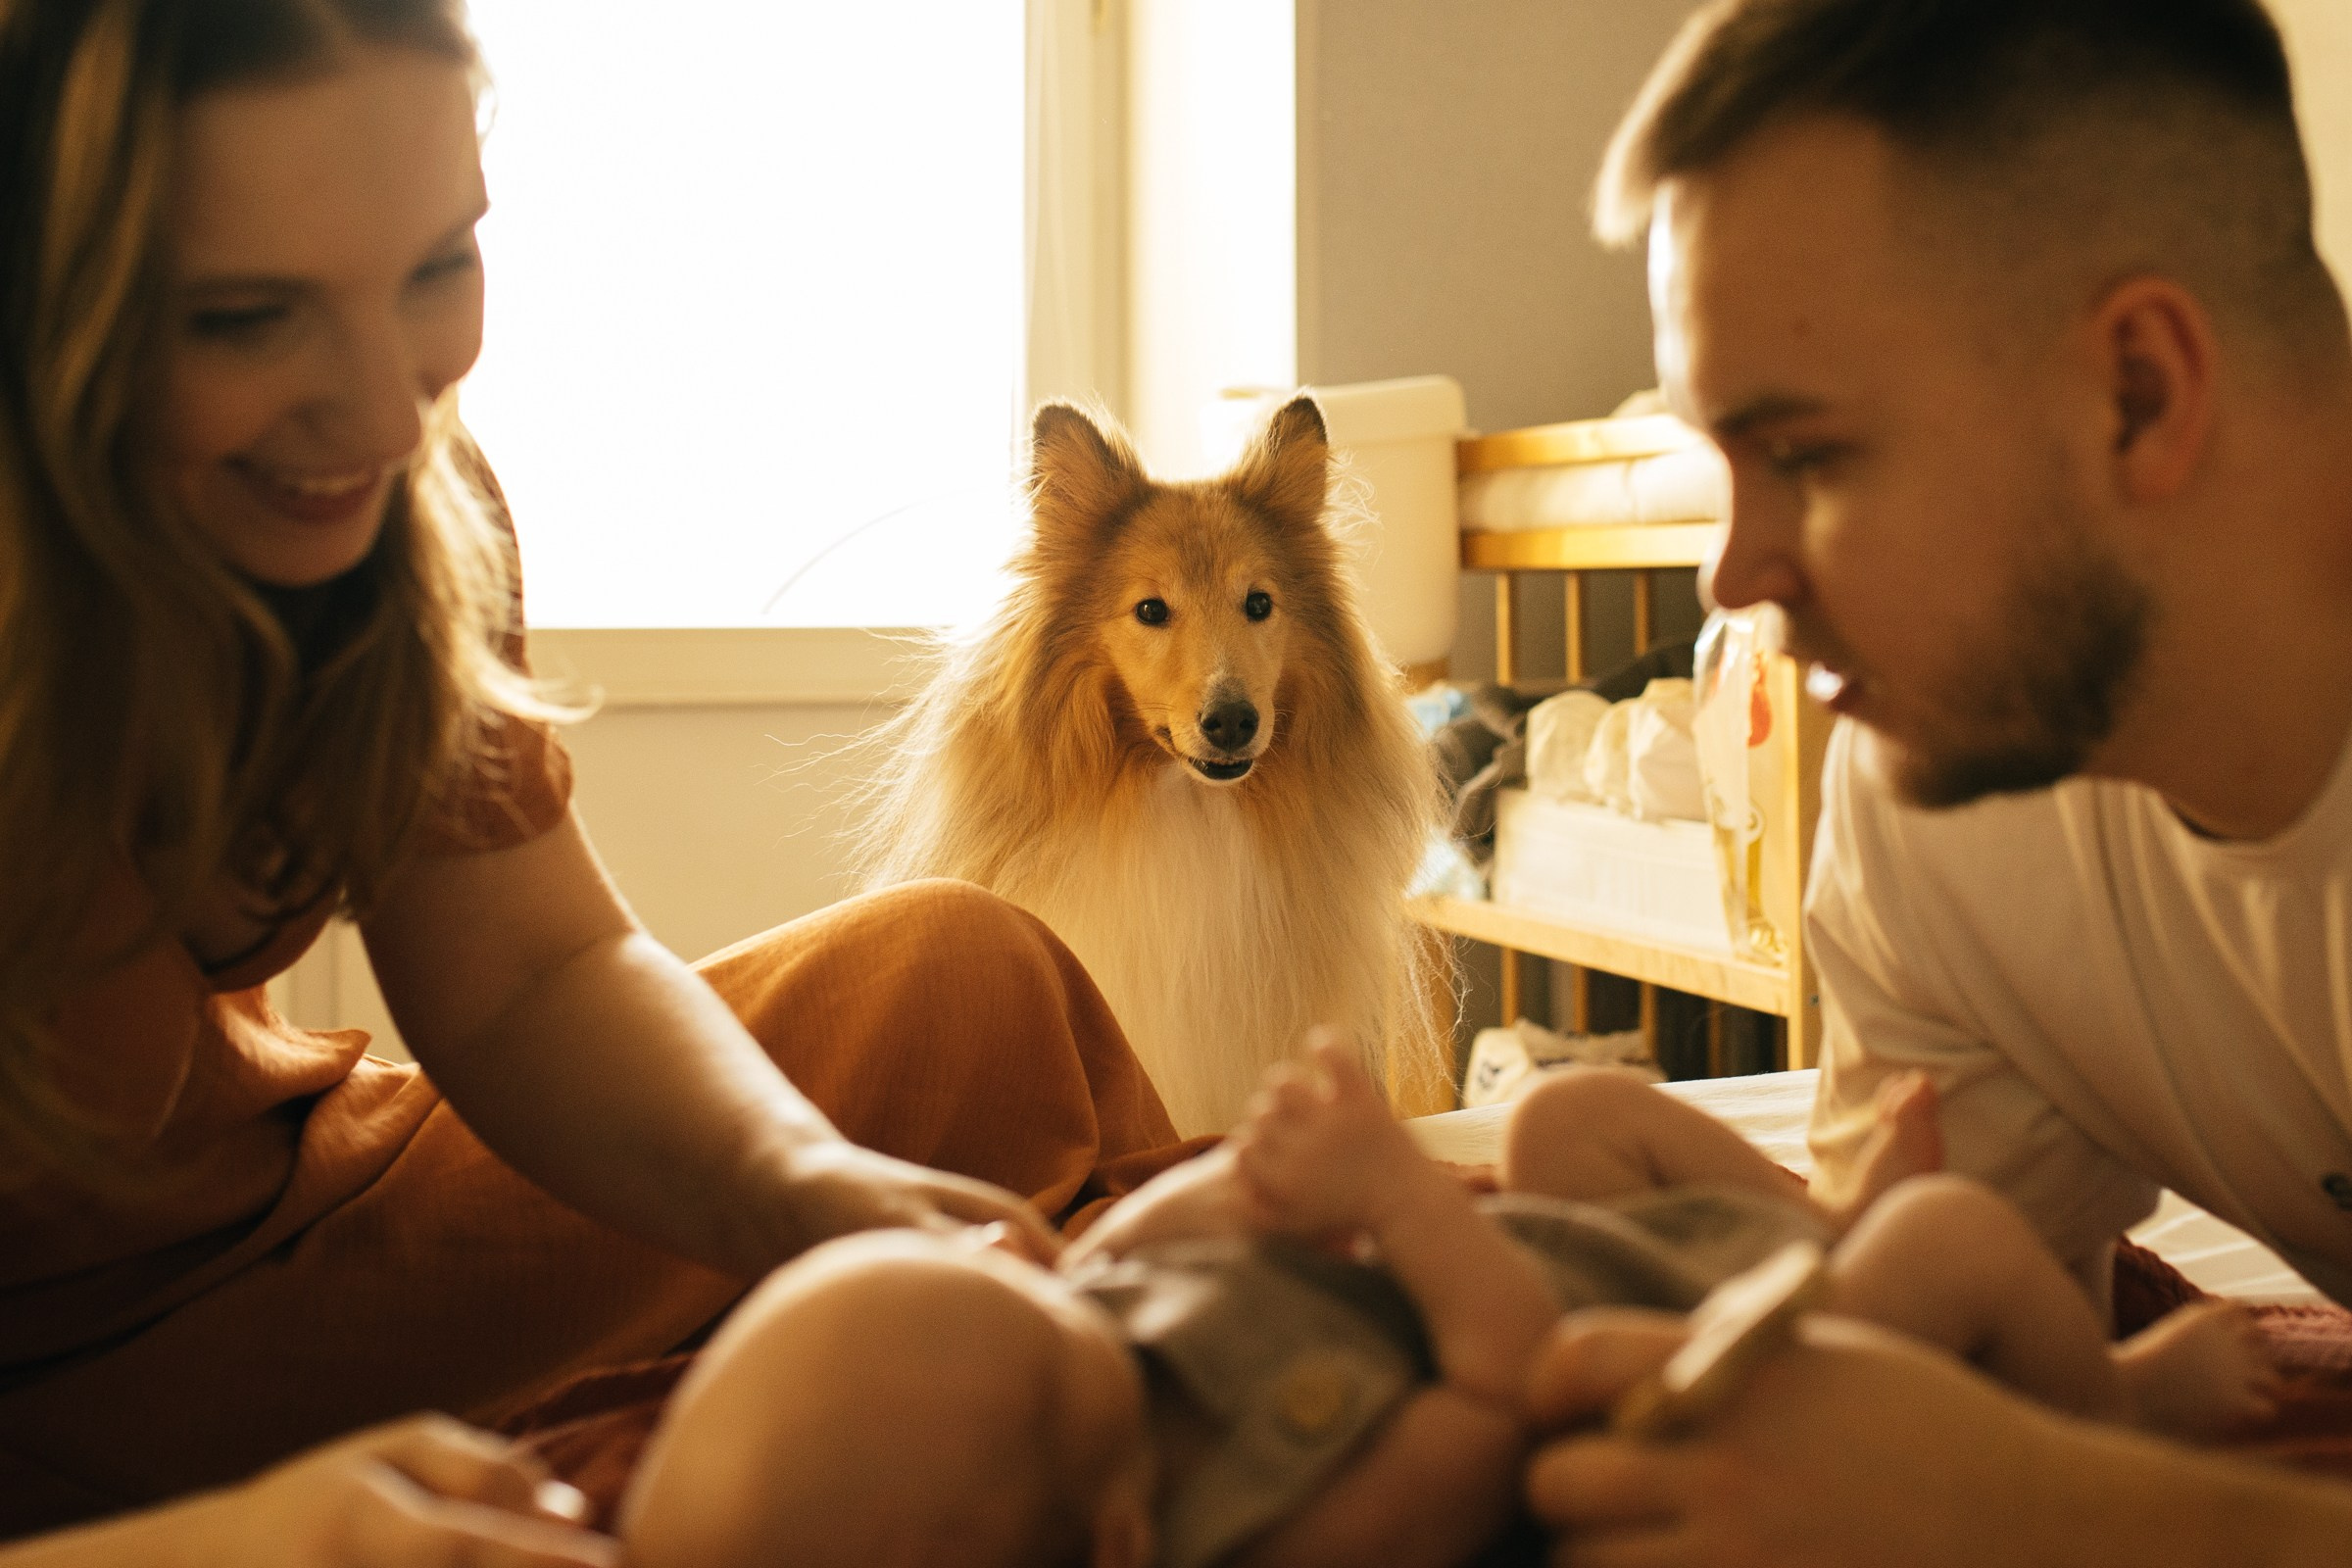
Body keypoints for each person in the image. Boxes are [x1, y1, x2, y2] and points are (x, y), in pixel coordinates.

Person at [0, 2, 1194, 1561]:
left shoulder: (404, 504)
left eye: (437, 265)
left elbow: (535, 974)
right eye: (244, 317)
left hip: (287, 1236)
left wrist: (799, 1192)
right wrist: (249, 1545)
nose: (383, 411)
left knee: (968, 984)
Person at [1525, 0, 2352, 1560]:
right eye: (1729, 467)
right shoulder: (1937, 804)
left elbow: (2001, 1472)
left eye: (1813, 458)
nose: (1733, 575)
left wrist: (2041, 1507)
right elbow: (1944, 1353)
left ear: (2140, 395)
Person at [610, 1040, 2279, 1568]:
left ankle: (1820, 1214)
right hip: (1691, 1360)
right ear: (1118, 1537)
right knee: (1965, 1245)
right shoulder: (1287, 1513)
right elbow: (1508, 1399)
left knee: (1563, 1117)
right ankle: (2107, 1408)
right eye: (1031, 1312)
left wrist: (1243, 1184)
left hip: (1594, 1253)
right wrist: (1403, 1199)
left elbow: (1165, 1243)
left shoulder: (1093, 1343)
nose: (1034, 1265)